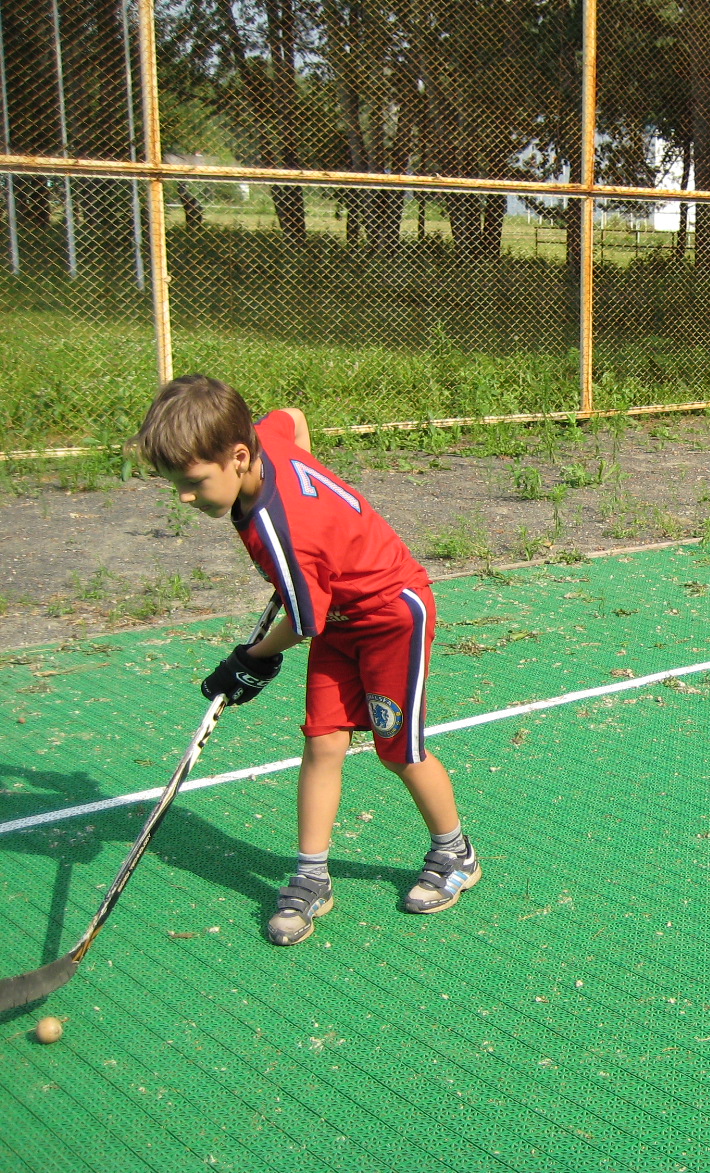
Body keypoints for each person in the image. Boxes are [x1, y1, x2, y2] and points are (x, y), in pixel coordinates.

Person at [134, 376, 479, 946]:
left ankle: (455, 853)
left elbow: (301, 624)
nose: (185, 498)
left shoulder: (283, 532)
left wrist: (250, 660)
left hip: (392, 616)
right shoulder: (261, 441)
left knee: (399, 749)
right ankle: (312, 876)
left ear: (238, 456)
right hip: (338, 619)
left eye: (193, 482)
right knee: (322, 744)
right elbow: (291, 418)